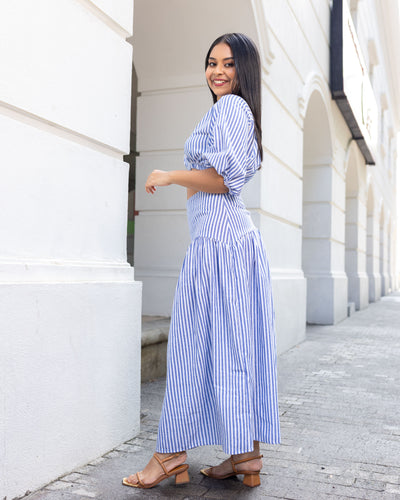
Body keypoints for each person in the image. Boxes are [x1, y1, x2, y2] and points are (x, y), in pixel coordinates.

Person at [123, 32, 280, 490]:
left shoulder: (231, 109)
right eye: (211, 62)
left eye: (229, 64)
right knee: (232, 346)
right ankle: (245, 455)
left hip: (219, 245)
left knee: (194, 347)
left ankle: (169, 455)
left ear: (243, 70)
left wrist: (171, 174)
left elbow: (224, 177)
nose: (217, 71)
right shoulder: (234, 111)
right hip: (226, 244)